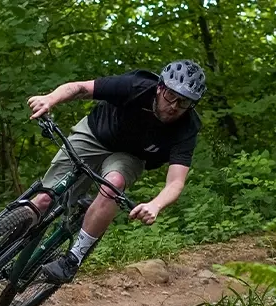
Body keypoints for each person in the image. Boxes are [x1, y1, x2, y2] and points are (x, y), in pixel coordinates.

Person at [22, 60, 205, 283]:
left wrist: (155, 205)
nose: (175, 106)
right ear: (160, 87)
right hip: (95, 134)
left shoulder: (187, 128)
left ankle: (73, 259)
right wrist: (49, 99)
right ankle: (6, 249)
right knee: (44, 200)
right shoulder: (136, 86)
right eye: (171, 96)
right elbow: (81, 88)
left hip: (130, 156)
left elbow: (176, 182)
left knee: (114, 184)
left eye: (184, 102)